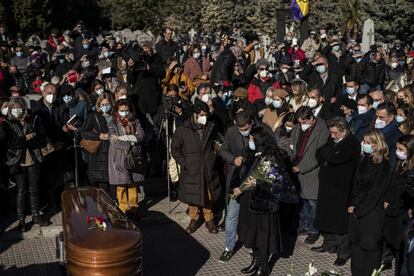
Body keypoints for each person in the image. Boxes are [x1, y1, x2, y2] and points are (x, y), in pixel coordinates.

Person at [236, 127, 291, 276]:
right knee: (252, 233)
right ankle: (255, 261)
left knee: (263, 236)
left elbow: (278, 182)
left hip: (264, 203)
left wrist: (258, 183)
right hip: (251, 200)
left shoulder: (272, 156)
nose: (250, 141)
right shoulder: (255, 153)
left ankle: (264, 266)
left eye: (253, 138)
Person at [313, 117, 360, 266]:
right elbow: (319, 153)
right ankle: (328, 243)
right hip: (328, 186)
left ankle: (343, 252)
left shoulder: (352, 143)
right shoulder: (332, 140)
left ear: (344, 131)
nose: (332, 136)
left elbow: (333, 158)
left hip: (342, 188)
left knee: (339, 222)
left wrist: (329, 155)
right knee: (326, 217)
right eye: (331, 133)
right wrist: (328, 155)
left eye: (335, 133)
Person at [171, 100, 222, 234]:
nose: (204, 117)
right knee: (192, 195)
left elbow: (217, 141)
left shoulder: (211, 126)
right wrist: (185, 162)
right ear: (195, 114)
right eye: (201, 114)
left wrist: (214, 155)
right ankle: (194, 219)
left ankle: (209, 220)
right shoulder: (183, 129)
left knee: (208, 194)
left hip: (207, 166)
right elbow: (175, 149)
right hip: (191, 167)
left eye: (206, 114)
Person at [0, 97, 49, 232]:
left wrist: (25, 139)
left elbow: (40, 137)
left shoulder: (33, 119)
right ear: (10, 109)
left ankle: (36, 215)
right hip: (17, 161)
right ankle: (21, 219)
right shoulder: (7, 124)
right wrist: (28, 137)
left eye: (19, 107)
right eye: (14, 107)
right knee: (21, 190)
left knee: (34, 188)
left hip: (33, 158)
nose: (17, 110)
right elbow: (12, 142)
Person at [348, 129, 391, 276]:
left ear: (376, 145)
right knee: (357, 249)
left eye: (367, 142)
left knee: (370, 251)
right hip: (358, 210)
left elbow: (376, 192)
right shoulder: (363, 159)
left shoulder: (383, 165)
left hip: (372, 213)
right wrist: (352, 204)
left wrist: (359, 210)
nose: (363, 145)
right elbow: (355, 183)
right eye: (364, 142)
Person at [218, 110, 257, 262]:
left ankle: (254, 247)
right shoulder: (231, 131)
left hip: (252, 180)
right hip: (235, 180)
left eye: (245, 129)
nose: (243, 132)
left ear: (251, 123)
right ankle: (228, 247)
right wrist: (233, 159)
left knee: (252, 216)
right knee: (231, 216)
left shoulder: (260, 130)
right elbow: (223, 150)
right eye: (240, 130)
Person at [291, 106, 330, 244]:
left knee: (313, 203)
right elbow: (293, 143)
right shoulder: (298, 127)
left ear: (311, 119)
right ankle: (304, 225)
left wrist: (300, 168)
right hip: (297, 169)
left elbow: (317, 155)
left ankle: (314, 230)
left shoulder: (322, 130)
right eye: (300, 122)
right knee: (302, 201)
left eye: (304, 122)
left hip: (312, 172)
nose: (301, 125)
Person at [383, 135, 414, 275]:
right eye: (397, 148)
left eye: (401, 149)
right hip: (392, 209)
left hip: (402, 214)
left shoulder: (411, 172)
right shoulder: (400, 163)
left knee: (402, 252)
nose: (397, 152)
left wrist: (393, 206)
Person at [108, 99, 145, 213]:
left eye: (127, 110)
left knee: (133, 183)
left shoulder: (135, 121)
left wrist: (124, 138)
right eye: (122, 110)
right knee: (121, 184)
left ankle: (134, 208)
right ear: (117, 111)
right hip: (119, 156)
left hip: (134, 155)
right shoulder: (113, 123)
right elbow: (114, 141)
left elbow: (141, 136)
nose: (124, 112)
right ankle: (123, 209)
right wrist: (131, 140)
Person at [81, 93, 114, 193]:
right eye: (102, 104)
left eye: (107, 104)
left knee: (114, 185)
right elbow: (84, 132)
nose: (105, 107)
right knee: (102, 188)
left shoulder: (115, 116)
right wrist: (98, 136)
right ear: (98, 105)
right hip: (99, 155)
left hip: (114, 153)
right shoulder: (94, 116)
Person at [375, 102, 403, 169]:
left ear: (391, 117)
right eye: (377, 116)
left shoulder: (397, 136)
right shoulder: (376, 128)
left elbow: (391, 163)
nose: (377, 120)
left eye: (381, 117)